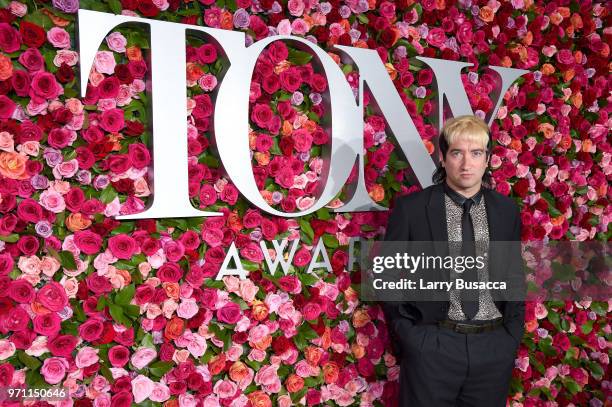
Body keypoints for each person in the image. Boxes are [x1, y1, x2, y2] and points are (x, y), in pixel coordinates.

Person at [382, 115, 525, 406]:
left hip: (493, 347)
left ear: (487, 160)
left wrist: (510, 337)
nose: (466, 163)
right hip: (433, 347)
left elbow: (513, 276)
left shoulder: (506, 210)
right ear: (443, 158)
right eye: (457, 153)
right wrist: (413, 340)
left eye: (476, 154)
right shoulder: (411, 209)